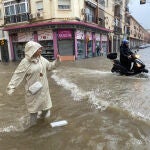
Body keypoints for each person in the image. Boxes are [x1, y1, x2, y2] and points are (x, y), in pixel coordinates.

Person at [6, 41, 60, 127]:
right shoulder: (25, 62)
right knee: (33, 112)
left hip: (44, 90)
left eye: (40, 49)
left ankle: (41, 122)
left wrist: (57, 61)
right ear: (32, 50)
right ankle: (33, 130)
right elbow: (17, 74)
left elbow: (50, 66)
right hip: (33, 92)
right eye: (39, 49)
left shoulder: (41, 59)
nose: (40, 51)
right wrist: (11, 87)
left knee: (46, 108)